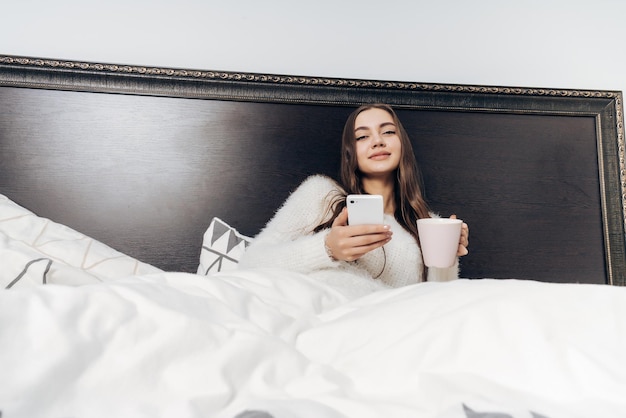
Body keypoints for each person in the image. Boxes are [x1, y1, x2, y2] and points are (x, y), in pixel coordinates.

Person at [238, 104, 469, 296]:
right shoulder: (323, 195)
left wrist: (449, 258)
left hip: (383, 325)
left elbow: (438, 303)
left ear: (402, 144)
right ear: (350, 151)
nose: (377, 141)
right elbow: (250, 263)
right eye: (362, 136)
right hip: (316, 310)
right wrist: (327, 248)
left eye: (388, 132)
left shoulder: (427, 224)